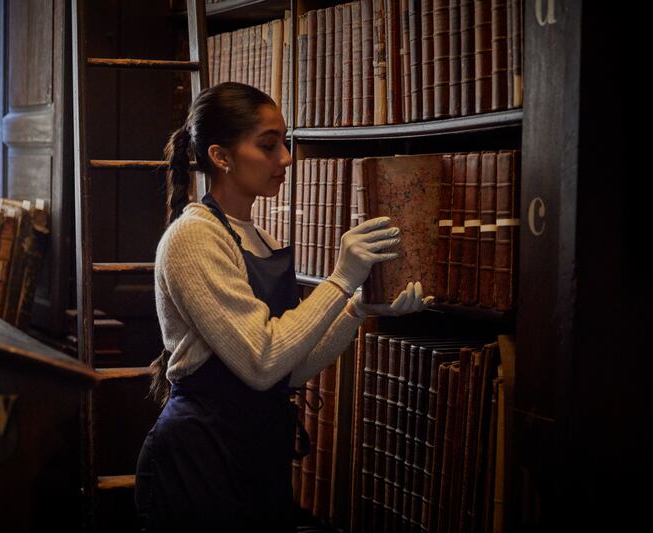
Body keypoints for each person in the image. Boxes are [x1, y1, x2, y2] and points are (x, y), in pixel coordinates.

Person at [134, 81, 434, 532]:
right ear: (221, 156)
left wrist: (358, 309)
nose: (286, 160)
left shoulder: (262, 240)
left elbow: (290, 369)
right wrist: (340, 279)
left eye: (284, 144)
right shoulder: (193, 238)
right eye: (269, 146)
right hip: (201, 455)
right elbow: (261, 360)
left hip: (257, 452)